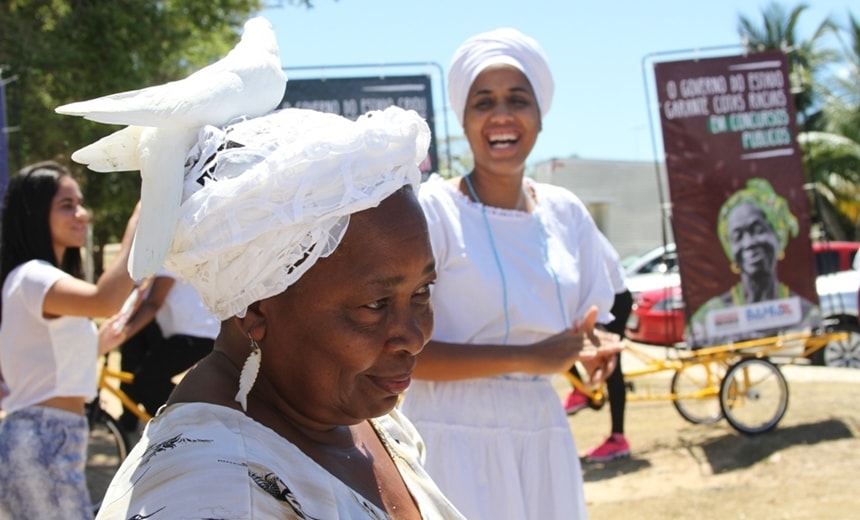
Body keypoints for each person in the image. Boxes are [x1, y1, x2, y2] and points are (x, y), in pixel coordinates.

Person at [64, 101, 468, 518]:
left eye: (422, 291)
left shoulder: (358, 418)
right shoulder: (213, 495)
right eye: (374, 305)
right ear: (255, 307)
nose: (415, 336)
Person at [398, 28, 624, 520]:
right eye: (484, 102)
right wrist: (534, 355)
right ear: (464, 117)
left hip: (541, 429)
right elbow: (405, 354)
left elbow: (587, 321)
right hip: (447, 430)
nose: (501, 115)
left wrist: (591, 348)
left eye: (517, 99)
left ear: (540, 116)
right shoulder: (432, 212)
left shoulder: (567, 214)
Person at [0, 161, 139, 518]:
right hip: (42, 438)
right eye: (67, 205)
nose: (83, 214)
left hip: (52, 437)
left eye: (80, 203)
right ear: (33, 213)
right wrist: (142, 223)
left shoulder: (37, 280)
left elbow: (49, 363)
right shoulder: (33, 276)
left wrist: (100, 343)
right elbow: (104, 300)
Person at [687, 177, 820, 347]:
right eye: (738, 236)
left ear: (778, 236)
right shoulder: (707, 318)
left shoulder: (806, 313)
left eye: (758, 230)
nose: (749, 243)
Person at [116, 268, 218, 431]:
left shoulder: (166, 261)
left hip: (198, 334)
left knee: (147, 380)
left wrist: (120, 336)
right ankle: (176, 426)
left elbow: (153, 304)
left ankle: (194, 427)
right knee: (144, 377)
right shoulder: (150, 264)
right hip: (187, 333)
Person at [562, 232, 634, 462]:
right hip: (609, 297)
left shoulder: (572, 229)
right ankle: (581, 392)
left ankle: (618, 439)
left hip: (612, 300)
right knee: (559, 339)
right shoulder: (573, 228)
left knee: (610, 367)